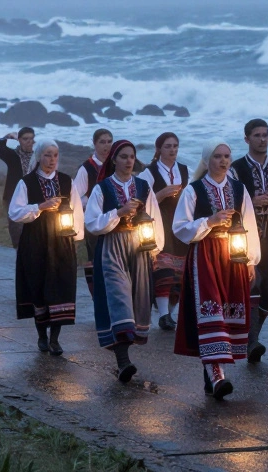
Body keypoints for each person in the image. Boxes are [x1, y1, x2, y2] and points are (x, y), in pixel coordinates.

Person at [172, 140, 260, 400]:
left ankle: (211, 373)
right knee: (211, 314)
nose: (223, 161)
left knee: (228, 312)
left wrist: (251, 260)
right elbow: (180, 227)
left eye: (227, 156)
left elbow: (250, 224)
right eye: (217, 156)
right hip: (206, 257)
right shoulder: (194, 190)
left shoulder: (239, 189)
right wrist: (209, 221)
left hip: (234, 257)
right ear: (207, 160)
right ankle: (218, 376)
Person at [84, 139, 161, 383]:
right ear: (114, 160)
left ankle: (123, 357)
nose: (128, 161)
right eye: (124, 157)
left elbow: (155, 217)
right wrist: (118, 213)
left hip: (139, 246)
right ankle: (123, 361)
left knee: (137, 299)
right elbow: (92, 223)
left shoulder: (143, 186)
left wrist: (155, 248)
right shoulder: (102, 188)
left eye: (131, 157)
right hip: (113, 247)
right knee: (119, 297)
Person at [8, 137, 83, 355]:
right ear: (39, 156)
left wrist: (76, 239)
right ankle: (42, 335)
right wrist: (40, 206)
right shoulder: (27, 182)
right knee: (38, 286)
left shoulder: (67, 182)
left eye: (55, 155)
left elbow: (77, 211)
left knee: (61, 287)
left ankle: (55, 339)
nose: (51, 159)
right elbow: (15, 212)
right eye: (47, 155)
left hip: (62, 241)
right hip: (36, 241)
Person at [229, 118, 268, 363]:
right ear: (247, 139)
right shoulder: (236, 168)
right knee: (251, 284)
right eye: (257, 135)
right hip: (245, 236)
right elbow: (228, 199)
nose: (262, 139)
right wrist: (250, 203)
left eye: (265, 135)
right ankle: (251, 341)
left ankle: (254, 335)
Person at [137, 131, 190, 331]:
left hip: (180, 224)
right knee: (163, 269)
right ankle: (163, 314)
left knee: (180, 272)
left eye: (175, 146)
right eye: (168, 146)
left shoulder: (185, 170)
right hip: (159, 224)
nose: (172, 150)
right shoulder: (148, 173)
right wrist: (160, 194)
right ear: (158, 149)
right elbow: (139, 201)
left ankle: (170, 313)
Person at [74, 128, 114, 295]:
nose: (106, 146)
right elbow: (75, 196)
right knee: (95, 261)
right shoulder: (87, 168)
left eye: (109, 141)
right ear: (94, 144)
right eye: (102, 142)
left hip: (115, 220)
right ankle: (97, 298)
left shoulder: (115, 164)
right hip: (94, 223)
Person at [0, 127, 35, 248]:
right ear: (19, 140)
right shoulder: (13, 156)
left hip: (32, 197)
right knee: (17, 230)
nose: (29, 141)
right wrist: (8, 136)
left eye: (31, 139)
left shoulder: (37, 156)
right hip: (13, 197)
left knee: (33, 231)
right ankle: (20, 256)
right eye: (25, 139)